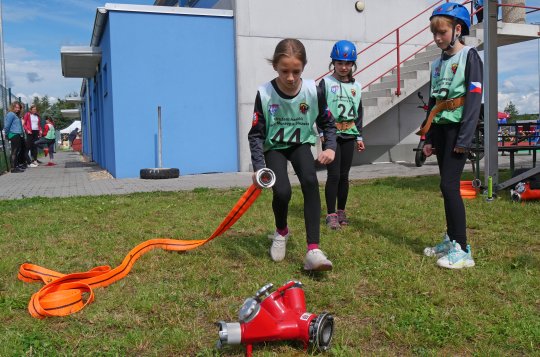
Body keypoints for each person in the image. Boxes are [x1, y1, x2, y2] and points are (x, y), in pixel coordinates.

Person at [248, 38, 337, 271]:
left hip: (300, 144)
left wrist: (330, 147)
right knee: (283, 191)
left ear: (304, 68)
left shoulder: (313, 91)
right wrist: (259, 166)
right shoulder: (265, 93)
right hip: (275, 146)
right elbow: (256, 133)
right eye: (284, 70)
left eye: (296, 71)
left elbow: (328, 123)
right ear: (275, 66)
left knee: (310, 181)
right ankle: (281, 231)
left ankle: (313, 249)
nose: (290, 77)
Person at [420, 3, 483, 269]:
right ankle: (450, 239)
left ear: (457, 29)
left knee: (450, 186)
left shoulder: (469, 56)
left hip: (459, 130)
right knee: (445, 187)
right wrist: (428, 138)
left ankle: (462, 249)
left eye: (442, 32)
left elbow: (474, 97)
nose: (437, 38)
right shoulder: (436, 64)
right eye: (434, 33)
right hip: (442, 129)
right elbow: (434, 103)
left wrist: (465, 138)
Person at [319, 40, 365, 230]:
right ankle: (330, 214)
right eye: (339, 63)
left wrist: (359, 136)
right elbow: (319, 108)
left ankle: (341, 211)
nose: (344, 67)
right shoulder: (326, 83)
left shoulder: (357, 86)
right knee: (334, 174)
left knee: (345, 175)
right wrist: (321, 131)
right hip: (331, 135)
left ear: (353, 64)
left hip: (349, 133)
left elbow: (359, 112)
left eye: (348, 64)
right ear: (333, 63)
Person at [3, 101, 25, 173]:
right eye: (16, 107)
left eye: (19, 108)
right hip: (13, 134)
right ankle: (13, 168)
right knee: (14, 151)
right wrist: (7, 134)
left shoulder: (16, 115)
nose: (18, 109)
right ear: (12, 107)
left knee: (16, 151)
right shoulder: (11, 114)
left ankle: (16, 165)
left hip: (17, 134)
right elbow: (7, 126)